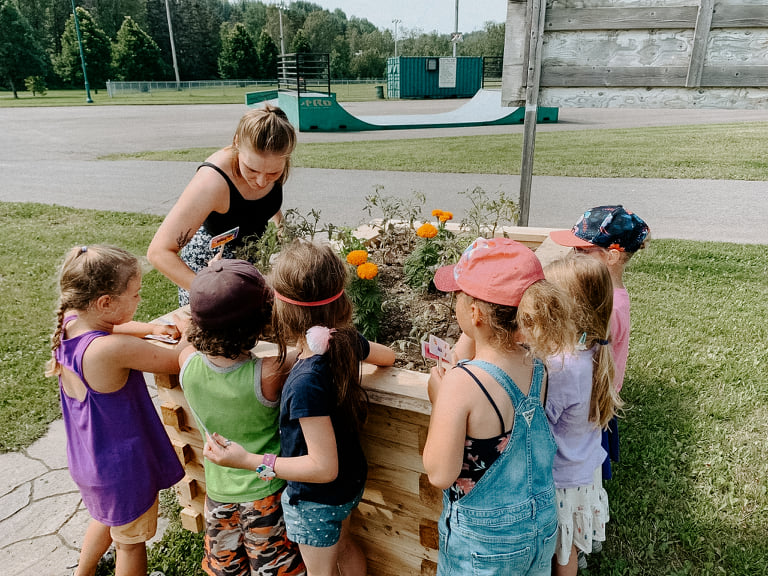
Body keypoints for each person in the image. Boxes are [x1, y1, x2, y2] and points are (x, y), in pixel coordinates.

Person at [203, 239, 395, 576]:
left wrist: (250, 462)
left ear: (281, 307)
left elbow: (323, 467)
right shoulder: (344, 339)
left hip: (317, 501)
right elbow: (388, 357)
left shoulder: (304, 381)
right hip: (350, 483)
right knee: (345, 546)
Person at [422, 237, 575, 576]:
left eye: (458, 297)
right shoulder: (538, 366)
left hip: (484, 546)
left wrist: (439, 399)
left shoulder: (461, 385)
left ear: (474, 313)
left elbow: (439, 473)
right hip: (539, 528)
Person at [45, 245, 185, 576]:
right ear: (106, 302)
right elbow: (176, 357)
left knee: (106, 519)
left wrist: (149, 328)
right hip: (126, 471)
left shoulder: (72, 322)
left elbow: (115, 328)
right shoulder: (110, 350)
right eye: (135, 295)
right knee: (130, 545)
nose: (139, 301)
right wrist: (187, 327)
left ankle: (84, 572)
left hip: (92, 464)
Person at [179, 258, 305, 576]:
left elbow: (186, 339)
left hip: (218, 497)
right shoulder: (269, 372)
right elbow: (306, 349)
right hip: (267, 496)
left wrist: (209, 284)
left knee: (227, 571)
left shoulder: (187, 366)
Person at [147, 104, 297, 306]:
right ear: (236, 142)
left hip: (249, 258)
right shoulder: (211, 182)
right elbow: (158, 252)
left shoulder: (274, 162)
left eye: (273, 174)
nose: (261, 181)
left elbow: (262, 202)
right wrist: (209, 290)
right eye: (251, 170)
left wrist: (281, 224)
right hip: (208, 267)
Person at [549, 205, 649, 481]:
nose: (573, 255)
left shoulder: (609, 310)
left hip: (589, 403)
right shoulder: (607, 298)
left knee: (584, 463)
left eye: (583, 251)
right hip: (594, 398)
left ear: (612, 256)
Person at [543, 253, 622, 575]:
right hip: (582, 473)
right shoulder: (593, 350)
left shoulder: (562, 368)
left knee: (558, 552)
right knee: (568, 549)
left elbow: (540, 422)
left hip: (560, 480)